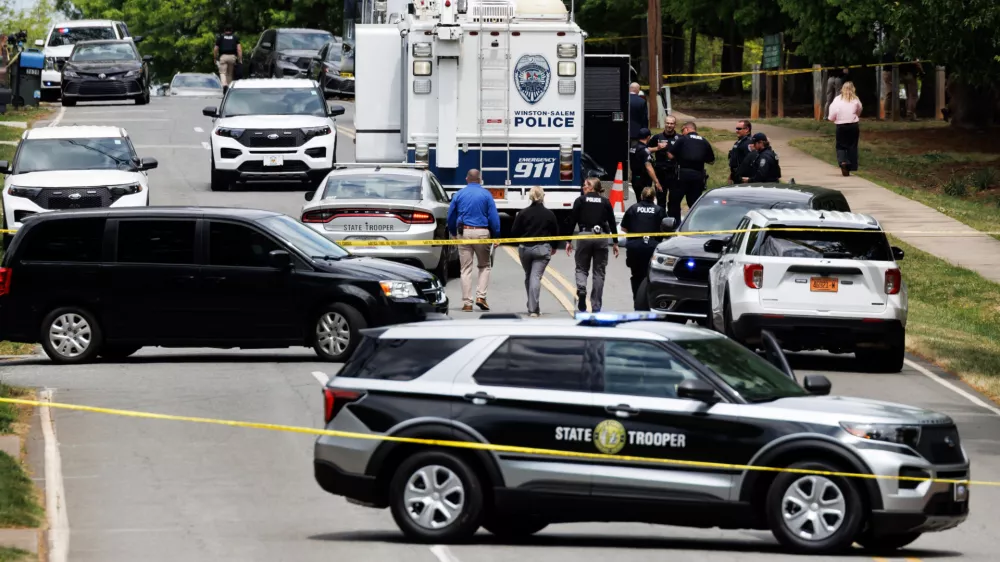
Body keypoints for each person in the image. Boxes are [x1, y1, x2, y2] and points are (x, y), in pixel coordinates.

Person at [447, 169, 501, 312]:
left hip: (464, 232)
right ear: (480, 180)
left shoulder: (459, 194)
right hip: (482, 233)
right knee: (484, 266)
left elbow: (450, 215)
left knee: (465, 269)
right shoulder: (486, 194)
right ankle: (481, 297)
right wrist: (496, 236)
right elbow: (493, 218)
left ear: (467, 179)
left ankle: (467, 303)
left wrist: (453, 232)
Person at [565, 177, 619, 313]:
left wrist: (568, 240)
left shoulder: (580, 200)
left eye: (585, 185)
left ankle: (582, 288)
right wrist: (615, 242)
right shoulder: (605, 201)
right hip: (601, 236)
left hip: (585, 235)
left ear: (591, 187)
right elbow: (612, 222)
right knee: (599, 272)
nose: (583, 187)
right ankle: (596, 306)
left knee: (581, 268)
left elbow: (572, 220)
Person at [509, 186, 559, 317]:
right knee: (535, 277)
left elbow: (514, 232)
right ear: (543, 196)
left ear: (530, 197)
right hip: (542, 249)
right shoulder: (549, 214)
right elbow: (556, 233)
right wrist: (553, 247)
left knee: (529, 276)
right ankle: (533, 309)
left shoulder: (523, 213)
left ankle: (532, 306)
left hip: (525, 249)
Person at [620, 186, 666, 303]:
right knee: (652, 275)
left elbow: (624, 228)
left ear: (641, 196)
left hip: (635, 247)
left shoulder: (633, 208)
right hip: (653, 247)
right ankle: (650, 301)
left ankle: (637, 300)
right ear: (654, 198)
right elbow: (666, 228)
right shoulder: (659, 210)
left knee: (636, 276)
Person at [665, 122, 715, 223]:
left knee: (674, 202)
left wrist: (678, 157)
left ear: (687, 129)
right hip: (698, 176)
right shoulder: (704, 141)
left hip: (681, 176)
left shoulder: (682, 139)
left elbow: (670, 155)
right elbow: (712, 161)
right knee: (694, 203)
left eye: (682, 130)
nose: (682, 133)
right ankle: (695, 224)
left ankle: (674, 225)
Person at [827, 81, 862, 176]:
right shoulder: (856, 99)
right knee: (852, 145)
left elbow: (832, 112)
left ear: (842, 89)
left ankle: (843, 161)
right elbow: (859, 110)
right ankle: (851, 165)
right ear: (853, 89)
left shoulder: (837, 99)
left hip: (841, 125)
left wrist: (832, 118)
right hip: (853, 125)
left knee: (840, 145)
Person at [648, 115, 680, 208]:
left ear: (675, 125)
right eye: (667, 123)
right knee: (661, 199)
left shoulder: (680, 138)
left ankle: (673, 217)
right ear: (664, 123)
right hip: (660, 173)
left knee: (674, 200)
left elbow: (685, 152)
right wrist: (657, 148)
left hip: (674, 173)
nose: (669, 125)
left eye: (671, 123)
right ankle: (661, 216)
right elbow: (647, 149)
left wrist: (675, 156)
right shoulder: (657, 137)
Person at [628, 127, 661, 203]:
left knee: (639, 200)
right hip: (644, 180)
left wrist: (658, 148)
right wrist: (656, 181)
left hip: (635, 178)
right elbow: (649, 167)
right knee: (646, 201)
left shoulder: (633, 148)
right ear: (648, 137)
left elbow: (645, 150)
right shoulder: (644, 150)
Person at [214, 26, 242, 93]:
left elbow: (215, 49)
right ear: (231, 30)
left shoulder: (220, 38)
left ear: (224, 30)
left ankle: (224, 85)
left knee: (223, 72)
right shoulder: (235, 38)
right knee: (230, 74)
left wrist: (215, 58)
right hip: (232, 57)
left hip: (223, 57)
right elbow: (239, 49)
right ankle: (228, 89)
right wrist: (240, 59)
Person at [728, 119, 752, 184]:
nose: (736, 131)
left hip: (743, 178)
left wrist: (747, 179)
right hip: (736, 175)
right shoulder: (739, 142)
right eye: (736, 129)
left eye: (739, 129)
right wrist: (731, 175)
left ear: (747, 129)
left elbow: (750, 162)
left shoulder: (749, 143)